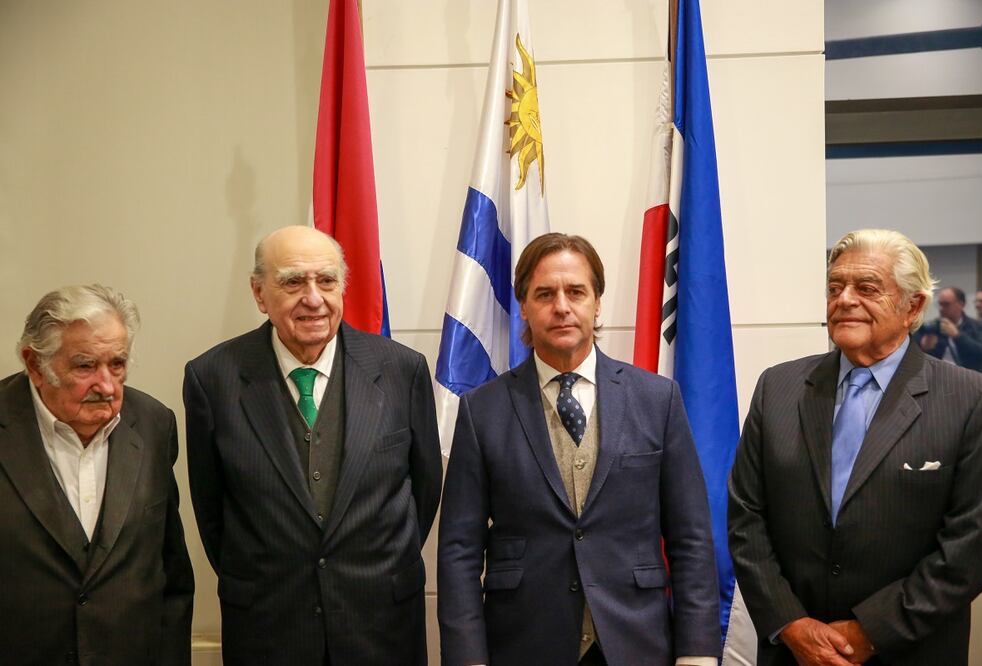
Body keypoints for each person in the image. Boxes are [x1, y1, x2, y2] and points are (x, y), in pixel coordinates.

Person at [438, 233, 721, 666]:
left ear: (597, 302)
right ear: (525, 307)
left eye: (576, 292)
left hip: (637, 641)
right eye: (545, 294)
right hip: (524, 643)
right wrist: (467, 658)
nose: (562, 307)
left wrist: (697, 653)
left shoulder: (657, 399)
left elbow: (691, 538)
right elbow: (459, 550)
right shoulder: (482, 411)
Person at [729, 229, 982, 665]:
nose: (845, 299)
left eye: (866, 288)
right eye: (835, 287)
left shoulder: (971, 399)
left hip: (910, 651)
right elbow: (746, 519)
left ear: (913, 307)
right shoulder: (778, 387)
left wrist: (870, 630)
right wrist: (791, 623)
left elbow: (972, 546)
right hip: (793, 654)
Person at [184, 225, 442, 666]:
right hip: (268, 630)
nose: (313, 298)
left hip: (382, 627)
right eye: (291, 282)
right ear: (259, 294)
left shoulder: (402, 370)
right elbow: (212, 511)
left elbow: (424, 488)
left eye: (326, 280)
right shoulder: (212, 378)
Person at [0, 285, 194, 665]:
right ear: (35, 364)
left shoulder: (154, 424)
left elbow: (171, 574)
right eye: (85, 365)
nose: (106, 386)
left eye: (117, 364)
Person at [914, 286, 982, 372]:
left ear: (961, 304)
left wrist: (958, 336)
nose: (941, 309)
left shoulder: (977, 326)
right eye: (940, 304)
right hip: (938, 376)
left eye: (946, 304)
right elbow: (913, 356)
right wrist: (924, 347)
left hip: (968, 376)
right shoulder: (931, 327)